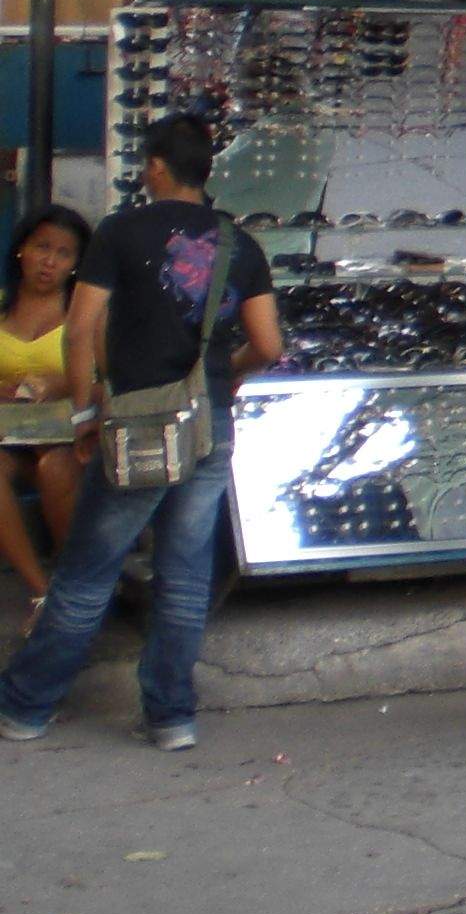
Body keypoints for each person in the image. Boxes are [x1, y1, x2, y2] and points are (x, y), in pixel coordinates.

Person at [1, 120, 282, 751]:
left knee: (86, 573)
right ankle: (171, 718)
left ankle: (25, 706)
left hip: (136, 424)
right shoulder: (241, 244)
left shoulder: (121, 231)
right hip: (207, 426)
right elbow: (268, 345)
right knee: (184, 576)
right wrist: (224, 377)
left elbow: (79, 332)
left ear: (156, 167)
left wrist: (81, 416)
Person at [0, 206, 92, 606]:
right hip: (7, 437)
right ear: (21, 249)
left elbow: (113, 385)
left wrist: (64, 384)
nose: (49, 261)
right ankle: (43, 592)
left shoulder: (84, 316)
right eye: (41, 247)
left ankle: (77, 584)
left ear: (75, 265)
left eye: (64, 253)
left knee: (55, 468)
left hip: (69, 438)